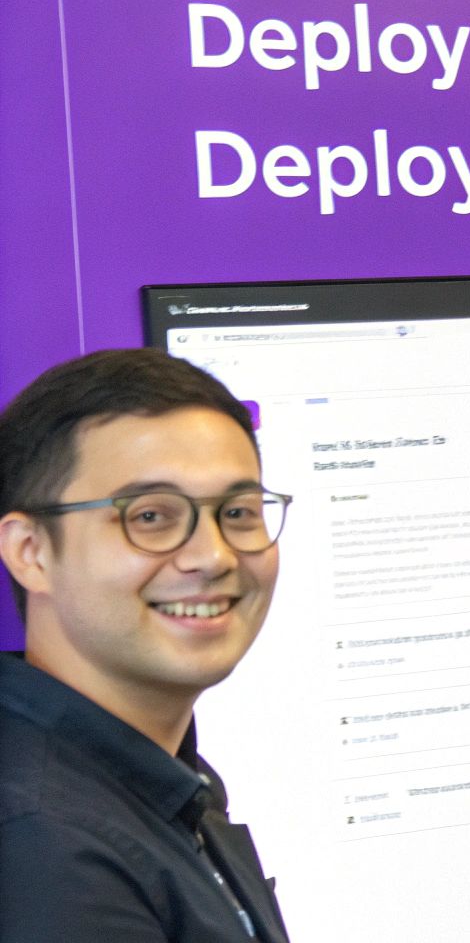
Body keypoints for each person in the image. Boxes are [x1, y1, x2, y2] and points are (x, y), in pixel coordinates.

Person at [0, 349, 293, 941]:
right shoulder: (46, 848)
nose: (213, 556)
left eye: (238, 512)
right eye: (151, 516)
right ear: (31, 551)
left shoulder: (160, 780)